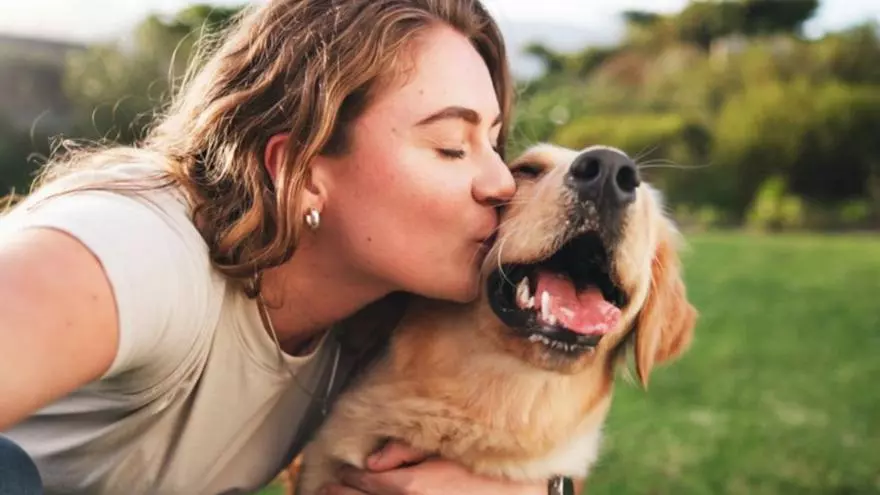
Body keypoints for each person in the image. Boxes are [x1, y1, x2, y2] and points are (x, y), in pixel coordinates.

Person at [0, 0, 565, 493]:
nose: (501, 183)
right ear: (300, 171)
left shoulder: (391, 310)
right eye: (449, 146)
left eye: (492, 142)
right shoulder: (141, 251)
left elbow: (547, 434)